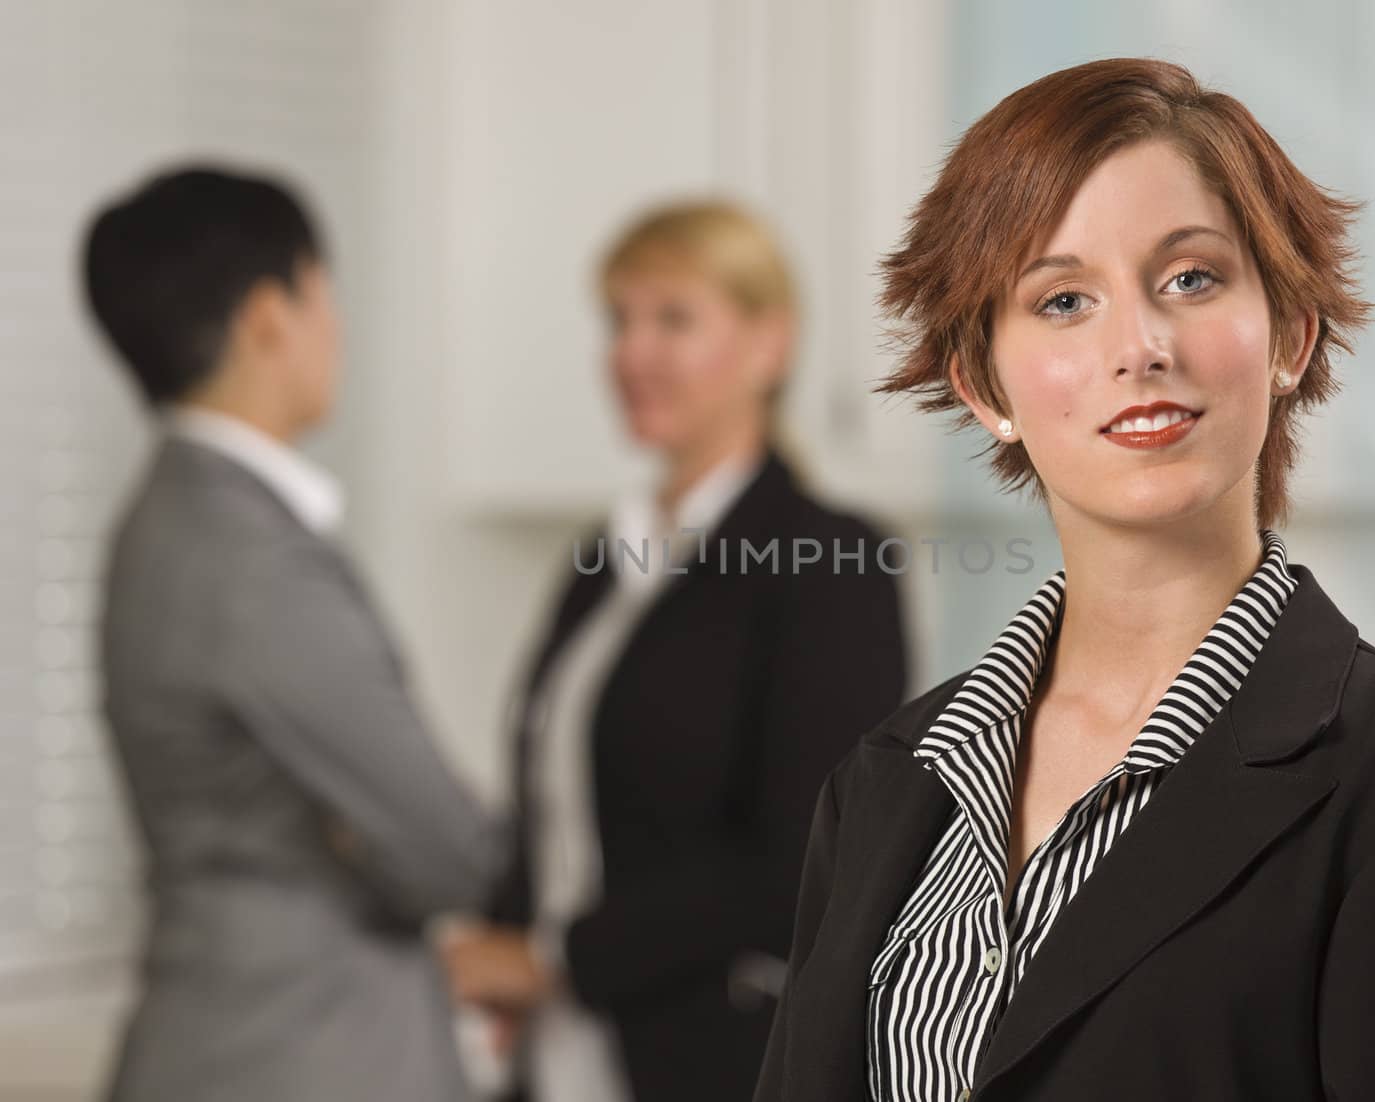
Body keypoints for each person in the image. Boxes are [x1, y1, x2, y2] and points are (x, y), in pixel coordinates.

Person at [755, 58, 1375, 1102]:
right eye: (1062, 299)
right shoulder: (889, 779)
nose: (1137, 346)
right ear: (983, 384)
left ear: (1289, 334)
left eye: (1191, 279)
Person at [441, 200, 908, 1102]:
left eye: (674, 319)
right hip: (551, 1062)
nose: (632, 353)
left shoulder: (832, 560)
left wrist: (551, 960)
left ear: (770, 345)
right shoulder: (601, 557)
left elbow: (806, 857)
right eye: (620, 320)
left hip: (713, 1062)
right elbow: (559, 807)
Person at [82, 165, 499, 1102]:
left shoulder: (169, 520)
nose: (335, 327)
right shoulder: (246, 553)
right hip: (295, 1053)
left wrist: (358, 829)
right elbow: (448, 847)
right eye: (323, 294)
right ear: (269, 316)